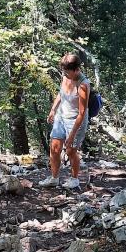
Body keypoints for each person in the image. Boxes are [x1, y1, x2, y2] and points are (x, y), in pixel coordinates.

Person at [39, 52, 90, 190]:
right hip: (61, 116)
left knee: (70, 151)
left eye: (67, 72)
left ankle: (74, 179)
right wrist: (53, 110)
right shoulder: (66, 77)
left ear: (76, 69)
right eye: (64, 71)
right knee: (54, 148)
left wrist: (72, 134)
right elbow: (61, 94)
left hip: (75, 121)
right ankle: (54, 178)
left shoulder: (83, 85)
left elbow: (82, 113)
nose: (65, 74)